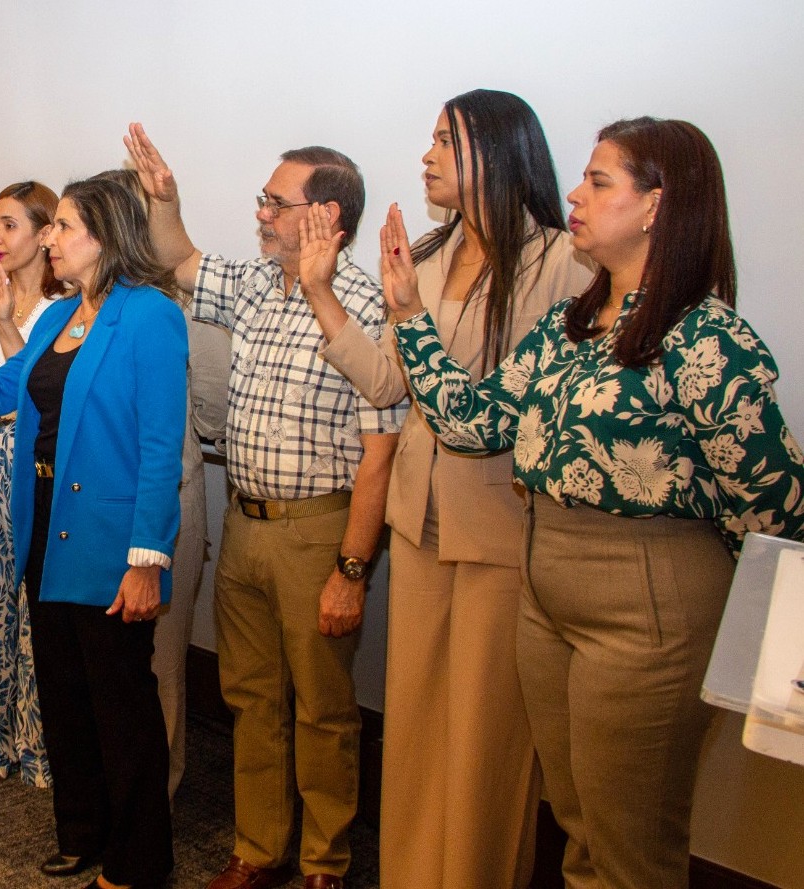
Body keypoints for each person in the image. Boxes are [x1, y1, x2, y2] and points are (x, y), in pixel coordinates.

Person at [385, 116, 804, 889]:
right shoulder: (570, 325)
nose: (574, 194)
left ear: (657, 206)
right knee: (579, 827)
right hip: (548, 591)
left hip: (649, 603)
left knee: (630, 848)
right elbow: (472, 424)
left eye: (599, 181)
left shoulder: (709, 340)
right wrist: (411, 314)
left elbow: (777, 504)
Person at [311, 90, 593, 888]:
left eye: (445, 140)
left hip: (502, 534)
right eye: (431, 139)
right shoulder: (429, 255)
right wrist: (324, 291)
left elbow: (504, 406)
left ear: (499, 153)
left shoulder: (559, 264)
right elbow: (387, 385)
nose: (428, 155)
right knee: (418, 739)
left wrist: (410, 317)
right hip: (421, 526)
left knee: (484, 750)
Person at [126, 124, 404, 889]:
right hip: (245, 522)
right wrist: (165, 199)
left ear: (326, 218)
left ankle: (324, 862)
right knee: (251, 698)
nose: (261, 215)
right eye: (262, 201)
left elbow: (382, 446)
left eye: (275, 204)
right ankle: (259, 846)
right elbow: (180, 256)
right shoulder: (254, 282)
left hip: (319, 528)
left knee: (322, 707)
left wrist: (352, 567)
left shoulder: (368, 303)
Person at [0, 176, 187, 889]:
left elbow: (162, 448)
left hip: (110, 541)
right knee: (64, 694)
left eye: (65, 226)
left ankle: (137, 860)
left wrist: (146, 558)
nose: (52, 238)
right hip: (43, 526)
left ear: (107, 234)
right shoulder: (51, 318)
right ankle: (82, 832)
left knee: (120, 703)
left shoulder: (151, 316)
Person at [92, 166, 223, 801]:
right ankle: (111, 788)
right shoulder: (82, 305)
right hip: (96, 505)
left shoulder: (182, 303)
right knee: (108, 661)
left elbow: (214, 413)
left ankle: (154, 801)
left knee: (159, 662)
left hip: (164, 497)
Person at [0, 181, 64, 783]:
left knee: (33, 603)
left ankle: (36, 741)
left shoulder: (66, 307)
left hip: (35, 457)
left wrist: (7, 325)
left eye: (10, 226)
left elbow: (33, 388)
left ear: (45, 232)